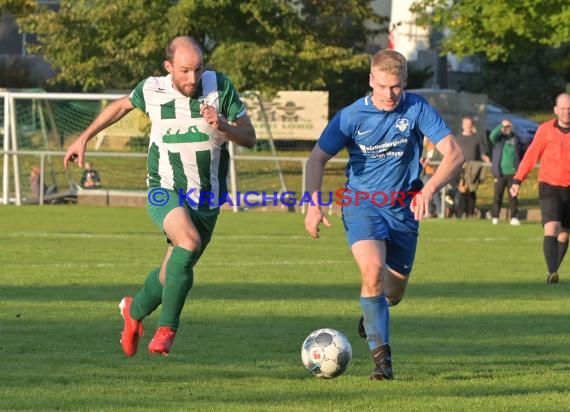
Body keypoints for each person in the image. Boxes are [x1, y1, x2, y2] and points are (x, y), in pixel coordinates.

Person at [63, 36, 256, 356]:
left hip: (206, 200)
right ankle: (166, 330)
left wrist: (223, 125)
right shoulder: (152, 89)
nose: (192, 79)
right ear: (168, 67)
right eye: (184, 71)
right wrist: (84, 137)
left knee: (171, 274)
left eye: (198, 69)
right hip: (162, 189)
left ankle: (133, 311)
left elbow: (249, 137)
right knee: (188, 243)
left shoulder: (220, 87)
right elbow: (120, 106)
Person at [304, 49, 464, 380]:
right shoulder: (351, 116)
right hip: (362, 203)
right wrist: (312, 204)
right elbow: (316, 159)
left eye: (396, 87)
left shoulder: (417, 107)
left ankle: (370, 314)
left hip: (404, 210)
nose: (390, 94)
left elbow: (455, 154)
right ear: (371, 81)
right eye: (382, 86)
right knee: (372, 272)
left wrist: (429, 189)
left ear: (404, 82)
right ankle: (382, 363)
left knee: (393, 294)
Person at [510, 93, 570, 284]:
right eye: (563, 108)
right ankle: (552, 272)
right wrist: (518, 180)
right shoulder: (546, 130)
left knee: (564, 233)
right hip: (549, 185)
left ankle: (553, 270)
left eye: (569, 109)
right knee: (552, 227)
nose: (566, 112)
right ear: (555, 110)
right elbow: (531, 155)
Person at [453, 116, 490, 218]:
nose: (468, 126)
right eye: (466, 124)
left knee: (472, 191)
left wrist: (486, 158)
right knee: (462, 191)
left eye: (470, 124)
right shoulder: (458, 138)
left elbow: (483, 152)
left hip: (474, 169)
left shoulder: (477, 137)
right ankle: (461, 213)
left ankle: (470, 213)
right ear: (462, 125)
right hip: (462, 168)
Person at [489, 119, 521, 225]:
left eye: (509, 127)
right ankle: (495, 216)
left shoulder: (515, 138)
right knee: (497, 196)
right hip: (500, 172)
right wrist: (501, 126)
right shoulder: (499, 138)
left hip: (513, 173)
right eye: (506, 127)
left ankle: (513, 217)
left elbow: (521, 151)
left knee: (513, 197)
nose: (507, 129)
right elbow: (492, 136)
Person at [420, 137, 443, 217]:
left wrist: (430, 160)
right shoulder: (425, 147)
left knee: (435, 192)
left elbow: (441, 158)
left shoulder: (438, 148)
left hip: (435, 173)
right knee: (426, 192)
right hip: (425, 173)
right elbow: (422, 157)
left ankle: (440, 211)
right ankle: (429, 212)